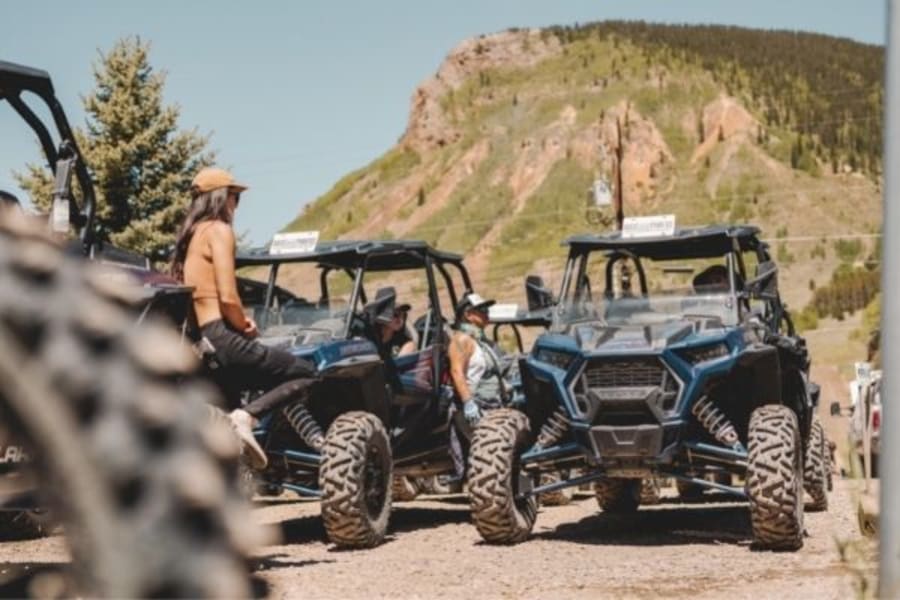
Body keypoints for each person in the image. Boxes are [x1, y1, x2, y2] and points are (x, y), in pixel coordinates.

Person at [170, 167, 318, 469]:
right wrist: (244, 325)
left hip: (201, 344)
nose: (237, 205)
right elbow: (227, 296)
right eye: (236, 197)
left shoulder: (189, 239)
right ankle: (247, 418)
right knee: (305, 373)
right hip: (222, 335)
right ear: (222, 198)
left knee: (222, 433)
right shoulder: (218, 231)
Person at [446, 292, 512, 481]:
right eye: (482, 310)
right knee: (491, 454)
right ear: (468, 315)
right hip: (476, 408)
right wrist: (468, 403)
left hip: (492, 406)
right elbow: (457, 372)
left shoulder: (480, 341)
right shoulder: (461, 340)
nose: (487, 313)